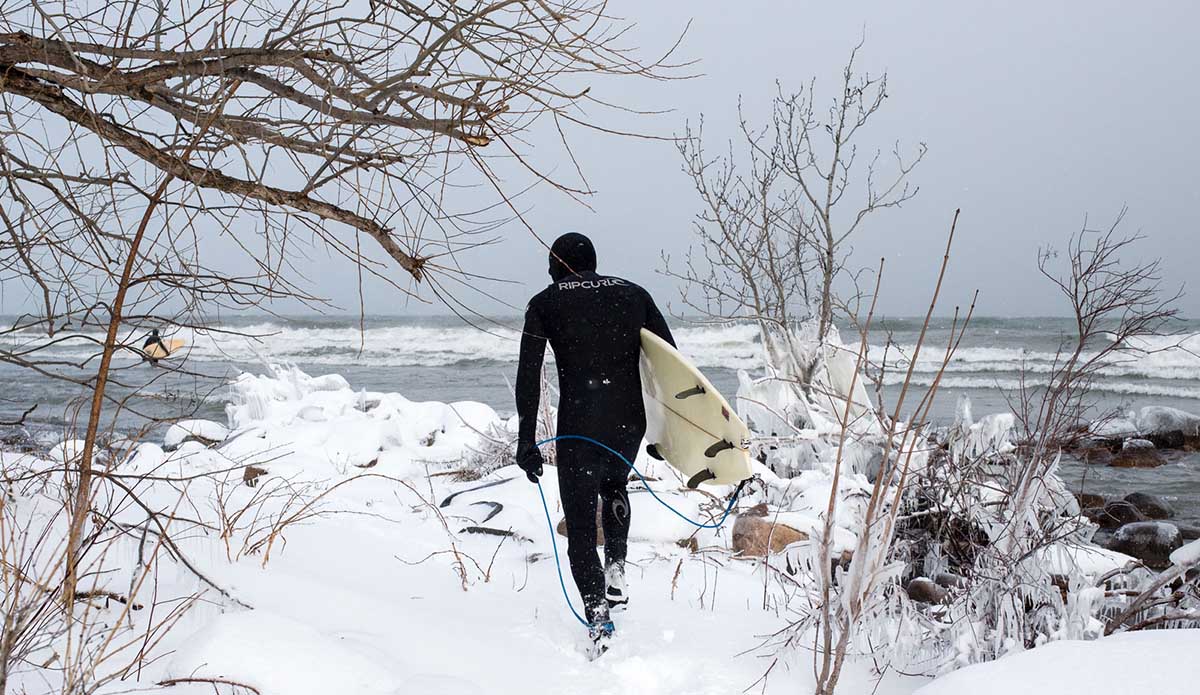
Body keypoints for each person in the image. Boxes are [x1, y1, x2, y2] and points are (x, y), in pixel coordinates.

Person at [514, 232, 675, 652]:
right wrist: (666, 433)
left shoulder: (545, 303)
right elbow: (669, 364)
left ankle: (599, 620)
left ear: (559, 265)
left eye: (551, 266)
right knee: (614, 485)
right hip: (627, 424)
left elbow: (529, 376)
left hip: (579, 424)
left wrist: (526, 439)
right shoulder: (634, 294)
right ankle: (617, 566)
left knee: (582, 526)